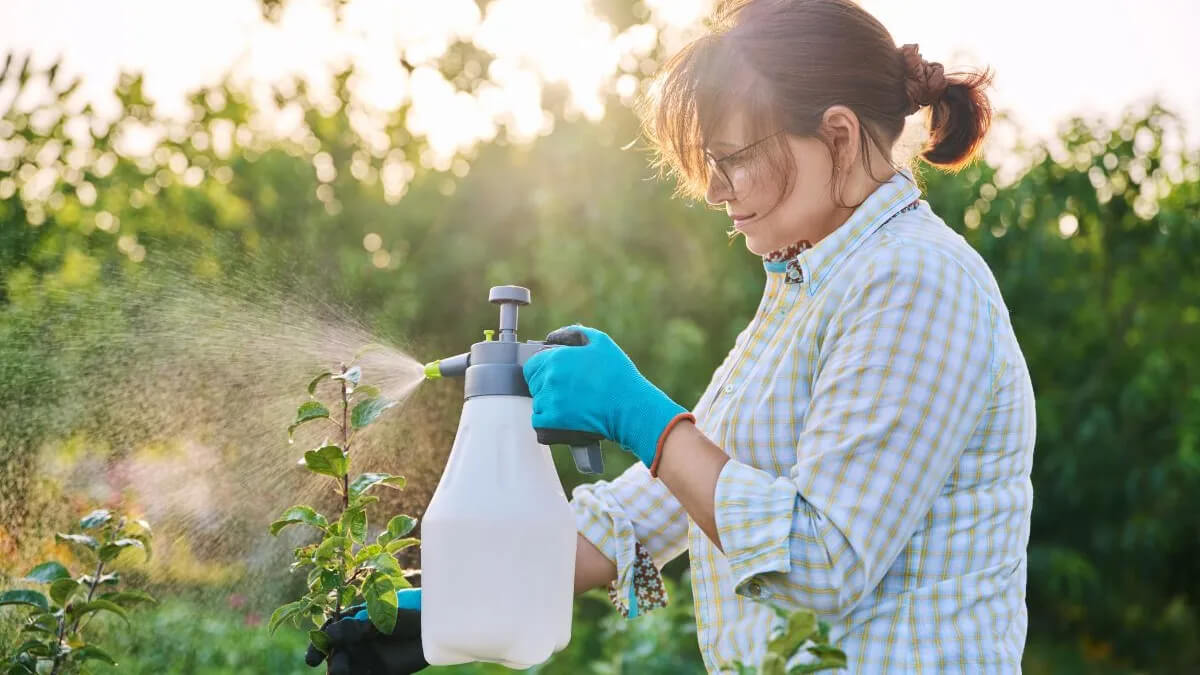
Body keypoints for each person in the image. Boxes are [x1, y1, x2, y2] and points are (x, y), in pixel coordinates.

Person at [306, 0, 1035, 671]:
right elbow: (655, 507)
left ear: (838, 137)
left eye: (735, 160)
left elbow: (821, 558)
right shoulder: (807, 291)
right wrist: (455, 608)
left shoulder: (915, 282)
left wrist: (642, 416)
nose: (717, 191)